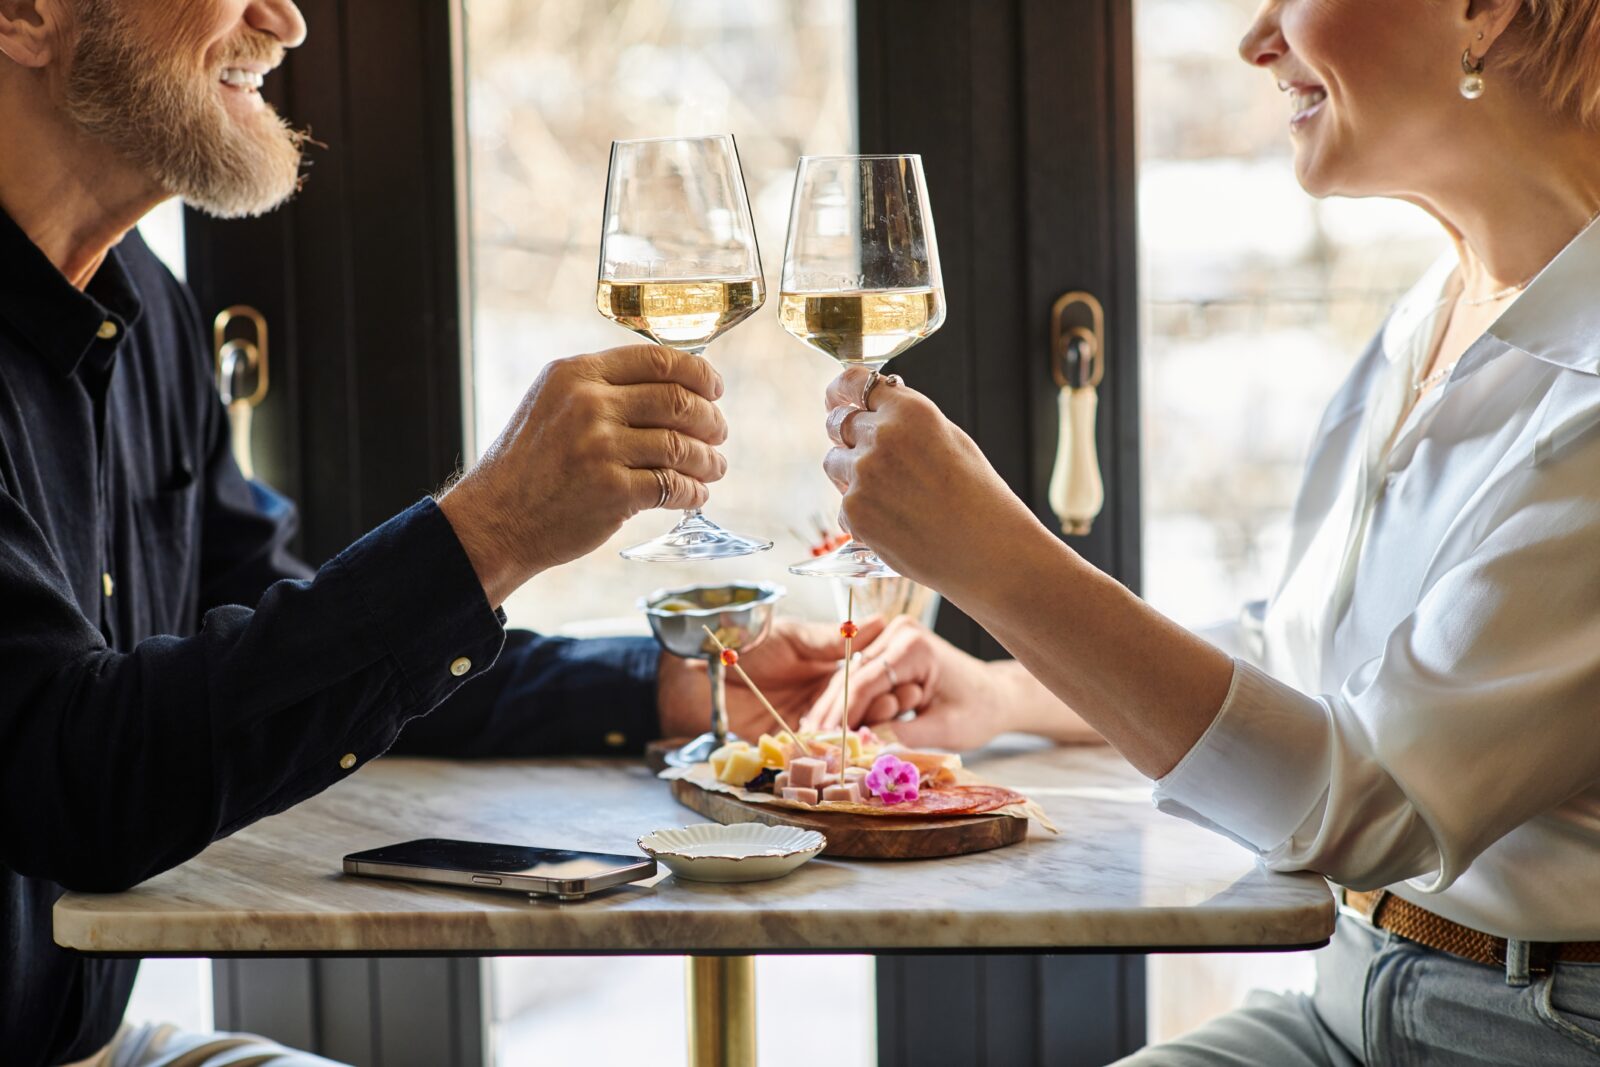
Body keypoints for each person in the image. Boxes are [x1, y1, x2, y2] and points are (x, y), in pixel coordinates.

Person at [0, 1, 857, 1064]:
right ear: (26, 13)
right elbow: (75, 781)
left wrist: (668, 685)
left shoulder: (146, 312)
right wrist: (492, 526)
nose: (286, 21)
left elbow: (306, 666)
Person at [819, 0, 1600, 1062]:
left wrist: (992, 561)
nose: (1255, 39)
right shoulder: (1438, 313)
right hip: (1345, 997)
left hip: (1533, 1030)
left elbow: (1365, 806)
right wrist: (1009, 691)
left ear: (1483, 9)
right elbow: (1306, 658)